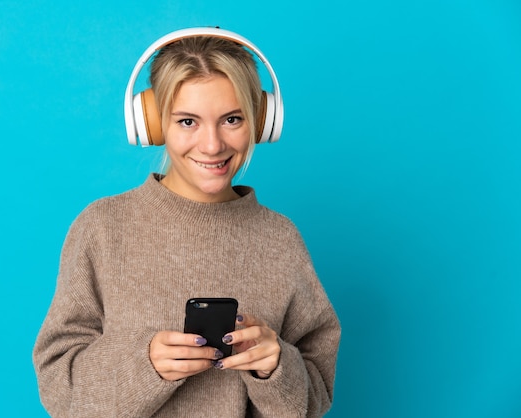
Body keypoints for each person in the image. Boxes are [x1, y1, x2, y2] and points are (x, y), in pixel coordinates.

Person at [33, 28, 341, 417]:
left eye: (232, 119)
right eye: (187, 122)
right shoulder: (102, 228)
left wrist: (275, 367)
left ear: (261, 121)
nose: (212, 145)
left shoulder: (280, 238)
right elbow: (59, 389)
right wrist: (144, 367)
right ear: (154, 124)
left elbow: (314, 400)